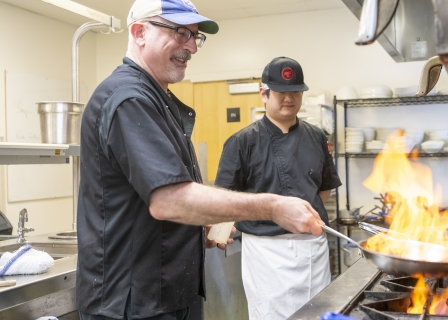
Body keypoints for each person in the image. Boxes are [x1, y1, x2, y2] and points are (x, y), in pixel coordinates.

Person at [76, 1, 325, 319]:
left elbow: (161, 199)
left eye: (195, 36)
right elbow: (168, 200)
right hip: (131, 304)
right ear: (139, 32)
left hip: (163, 295)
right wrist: (273, 207)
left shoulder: (157, 98)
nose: (192, 46)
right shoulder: (129, 99)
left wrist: (200, 219)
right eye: (181, 32)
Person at [215, 56, 342, 319]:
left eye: (296, 91)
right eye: (282, 92)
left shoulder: (316, 137)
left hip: (312, 249)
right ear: (264, 93)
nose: (289, 98)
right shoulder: (241, 142)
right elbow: (223, 199)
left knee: (318, 313)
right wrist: (218, 233)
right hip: (267, 253)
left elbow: (323, 189)